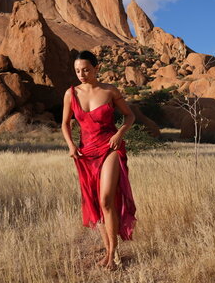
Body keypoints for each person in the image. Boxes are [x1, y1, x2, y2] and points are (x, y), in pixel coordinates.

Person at [61, 50, 137, 270]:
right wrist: (71, 145)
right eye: (77, 70)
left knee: (105, 199)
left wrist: (119, 134)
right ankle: (107, 251)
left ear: (96, 68)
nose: (81, 74)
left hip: (110, 147)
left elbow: (129, 116)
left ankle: (113, 255)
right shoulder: (71, 94)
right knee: (96, 203)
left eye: (86, 69)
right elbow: (65, 123)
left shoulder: (110, 90)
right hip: (85, 152)